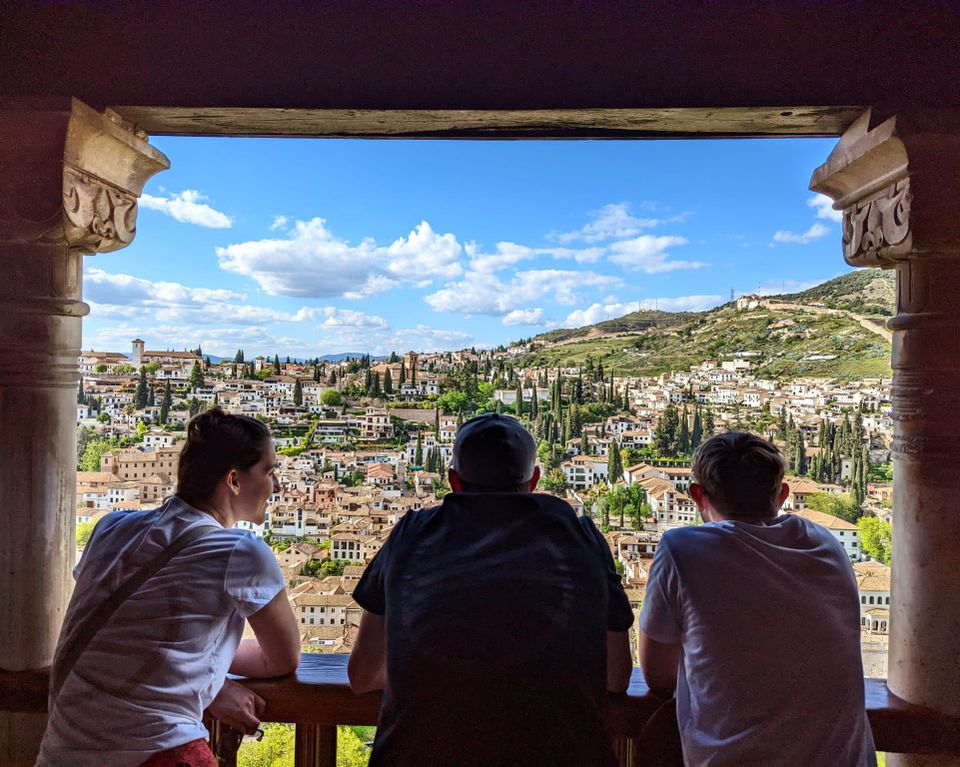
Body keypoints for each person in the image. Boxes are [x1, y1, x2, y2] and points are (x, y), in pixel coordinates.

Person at [348, 412, 634, 767]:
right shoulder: (583, 538)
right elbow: (618, 677)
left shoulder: (411, 534)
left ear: (453, 480)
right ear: (534, 481)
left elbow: (361, 677)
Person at [38, 407, 300, 767]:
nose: (278, 485)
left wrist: (209, 682)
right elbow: (282, 659)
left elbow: (124, 631)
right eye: (269, 471)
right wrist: (211, 678)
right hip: (157, 750)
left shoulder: (111, 528)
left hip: (61, 752)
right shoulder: (241, 552)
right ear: (234, 480)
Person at [638, 432, 877, 767]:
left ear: (696, 495)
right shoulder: (827, 546)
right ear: (781, 494)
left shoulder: (682, 549)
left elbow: (658, 676)